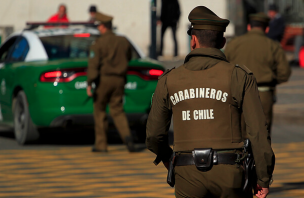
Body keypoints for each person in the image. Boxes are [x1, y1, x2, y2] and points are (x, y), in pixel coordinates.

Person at [146, 6, 275, 198]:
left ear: (193, 40)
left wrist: (167, 158)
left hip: (187, 173)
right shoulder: (239, 76)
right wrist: (263, 177)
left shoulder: (169, 79)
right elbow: (257, 131)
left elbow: (154, 135)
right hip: (230, 172)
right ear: (222, 41)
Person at [225, 12, 291, 134]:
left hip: (238, 94)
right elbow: (284, 73)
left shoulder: (233, 44)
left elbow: (223, 67)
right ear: (267, 29)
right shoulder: (272, 46)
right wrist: (271, 80)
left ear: (249, 27)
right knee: (262, 136)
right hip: (263, 94)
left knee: (239, 135)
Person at [86, 12, 136, 153]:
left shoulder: (98, 43)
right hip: (119, 80)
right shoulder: (123, 40)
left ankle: (101, 145)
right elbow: (129, 57)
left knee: (100, 110)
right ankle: (127, 137)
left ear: (102, 27)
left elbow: (93, 65)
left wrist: (90, 83)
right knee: (118, 110)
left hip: (104, 80)